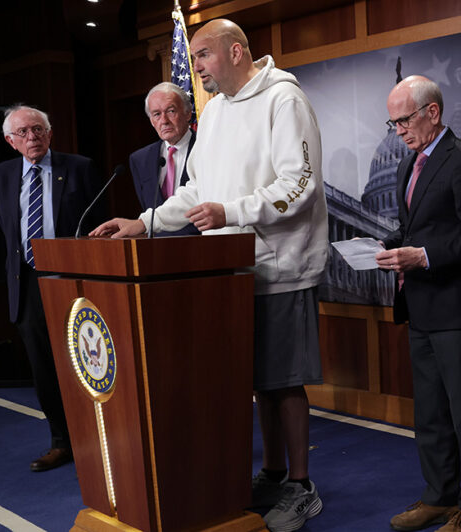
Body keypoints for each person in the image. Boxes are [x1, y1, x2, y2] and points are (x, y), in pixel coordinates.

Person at [90, 18, 328, 532]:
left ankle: (303, 486)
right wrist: (144, 222)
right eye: (194, 57)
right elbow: (196, 190)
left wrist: (234, 211)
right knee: (258, 379)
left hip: (280, 264)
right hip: (228, 270)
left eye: (204, 55)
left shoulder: (284, 100)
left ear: (237, 52)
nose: (196, 67)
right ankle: (273, 471)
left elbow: (301, 182)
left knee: (284, 381)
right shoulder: (215, 111)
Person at [375, 76, 461, 532]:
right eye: (393, 121)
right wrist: (385, 245)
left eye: (404, 119)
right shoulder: (411, 163)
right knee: (430, 414)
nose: (398, 130)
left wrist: (423, 256)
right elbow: (415, 227)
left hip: (458, 310)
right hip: (420, 308)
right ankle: (440, 496)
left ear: (432, 113)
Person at [0, 105, 106, 472]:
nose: (32, 138)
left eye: (38, 129)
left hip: (74, 279)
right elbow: (8, 229)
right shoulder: (0, 176)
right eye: (22, 133)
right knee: (44, 367)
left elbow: (99, 226)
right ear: (10, 141)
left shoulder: (80, 167)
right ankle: (61, 442)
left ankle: (102, 439)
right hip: (27, 284)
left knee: (88, 363)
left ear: (50, 134)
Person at [128, 82, 199, 236]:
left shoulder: (205, 147)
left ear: (188, 113)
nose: (164, 120)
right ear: (151, 121)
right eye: (157, 114)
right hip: (159, 249)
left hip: (202, 245)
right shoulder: (140, 159)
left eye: (171, 111)